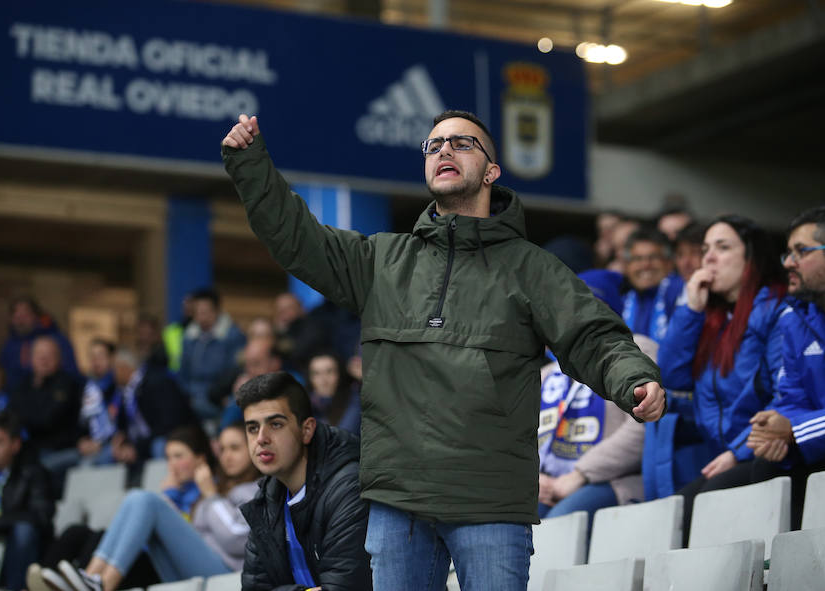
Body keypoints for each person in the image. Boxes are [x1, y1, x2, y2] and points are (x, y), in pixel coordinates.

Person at [222, 110, 665, 589]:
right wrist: (251, 164)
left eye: (461, 143)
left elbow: (592, 335)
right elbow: (295, 238)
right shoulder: (381, 261)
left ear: (491, 171)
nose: (444, 152)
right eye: (433, 146)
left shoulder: (530, 268)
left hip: (489, 503)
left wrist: (632, 378)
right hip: (398, 506)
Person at [656, 215, 787, 540]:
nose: (709, 257)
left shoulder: (776, 309)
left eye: (723, 247)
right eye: (706, 249)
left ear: (751, 258)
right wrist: (691, 309)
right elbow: (671, 374)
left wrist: (739, 452)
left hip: (767, 451)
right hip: (727, 454)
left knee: (698, 509)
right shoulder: (709, 317)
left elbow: (786, 395)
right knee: (671, 519)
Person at [741, 206, 825, 526]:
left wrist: (797, 429)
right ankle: (790, 568)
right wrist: (776, 428)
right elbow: (793, 397)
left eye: (801, 252)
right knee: (769, 466)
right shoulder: (795, 319)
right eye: (788, 253)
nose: (789, 263)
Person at [46, 424, 259, 591]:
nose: (226, 456)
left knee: (144, 500)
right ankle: (92, 579)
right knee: (135, 498)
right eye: (222, 449)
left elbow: (236, 538)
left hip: (226, 572)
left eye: (235, 448)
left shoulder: (255, 489)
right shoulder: (220, 490)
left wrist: (210, 497)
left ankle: (103, 584)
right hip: (196, 568)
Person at [537, 271, 655, 531]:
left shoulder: (638, 348)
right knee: (512, 519)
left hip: (613, 480)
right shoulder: (547, 372)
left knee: (561, 523)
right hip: (548, 484)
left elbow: (643, 428)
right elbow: (520, 434)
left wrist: (580, 474)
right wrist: (534, 478)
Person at [237, 371, 370, 590]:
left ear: (307, 430)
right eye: (252, 428)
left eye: (276, 424)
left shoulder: (349, 489)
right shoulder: (266, 500)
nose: (261, 439)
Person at [0, 411, 54, 591]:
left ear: (15, 444)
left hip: (10, 553)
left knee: (24, 530)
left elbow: (41, 516)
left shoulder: (33, 472)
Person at [8, 336, 83, 481]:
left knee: (30, 474)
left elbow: (46, 419)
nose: (44, 359)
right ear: (31, 358)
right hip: (31, 452)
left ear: (59, 359)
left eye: (49, 355)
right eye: (39, 355)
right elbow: (10, 417)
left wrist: (23, 414)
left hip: (61, 451)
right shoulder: (23, 385)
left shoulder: (66, 384)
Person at [180, 288, 246, 421]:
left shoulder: (232, 335)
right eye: (197, 312)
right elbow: (183, 372)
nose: (201, 316)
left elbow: (234, 370)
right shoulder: (188, 336)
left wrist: (220, 395)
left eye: (205, 312)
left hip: (218, 398)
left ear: (216, 311)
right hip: (192, 397)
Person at [0, 297, 79, 390]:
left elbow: (71, 373)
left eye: (24, 315)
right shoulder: (9, 346)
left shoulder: (56, 340)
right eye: (17, 317)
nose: (20, 321)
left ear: (35, 316)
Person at [621, 227, 684, 343]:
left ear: (669, 263)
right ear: (627, 266)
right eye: (637, 258)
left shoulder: (680, 295)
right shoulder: (622, 301)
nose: (645, 265)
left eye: (653, 257)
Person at [77, 339, 118, 466]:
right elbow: (80, 423)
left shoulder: (120, 385)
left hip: (115, 444)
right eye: (92, 357)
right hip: (91, 446)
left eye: (100, 356)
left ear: (111, 359)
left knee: (86, 467)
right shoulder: (85, 388)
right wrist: (83, 441)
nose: (95, 361)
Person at [306, 352, 361, 436]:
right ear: (310, 378)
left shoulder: (355, 400)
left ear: (340, 374)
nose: (323, 380)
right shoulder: (305, 406)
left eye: (329, 372)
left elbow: (343, 437)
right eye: (316, 373)